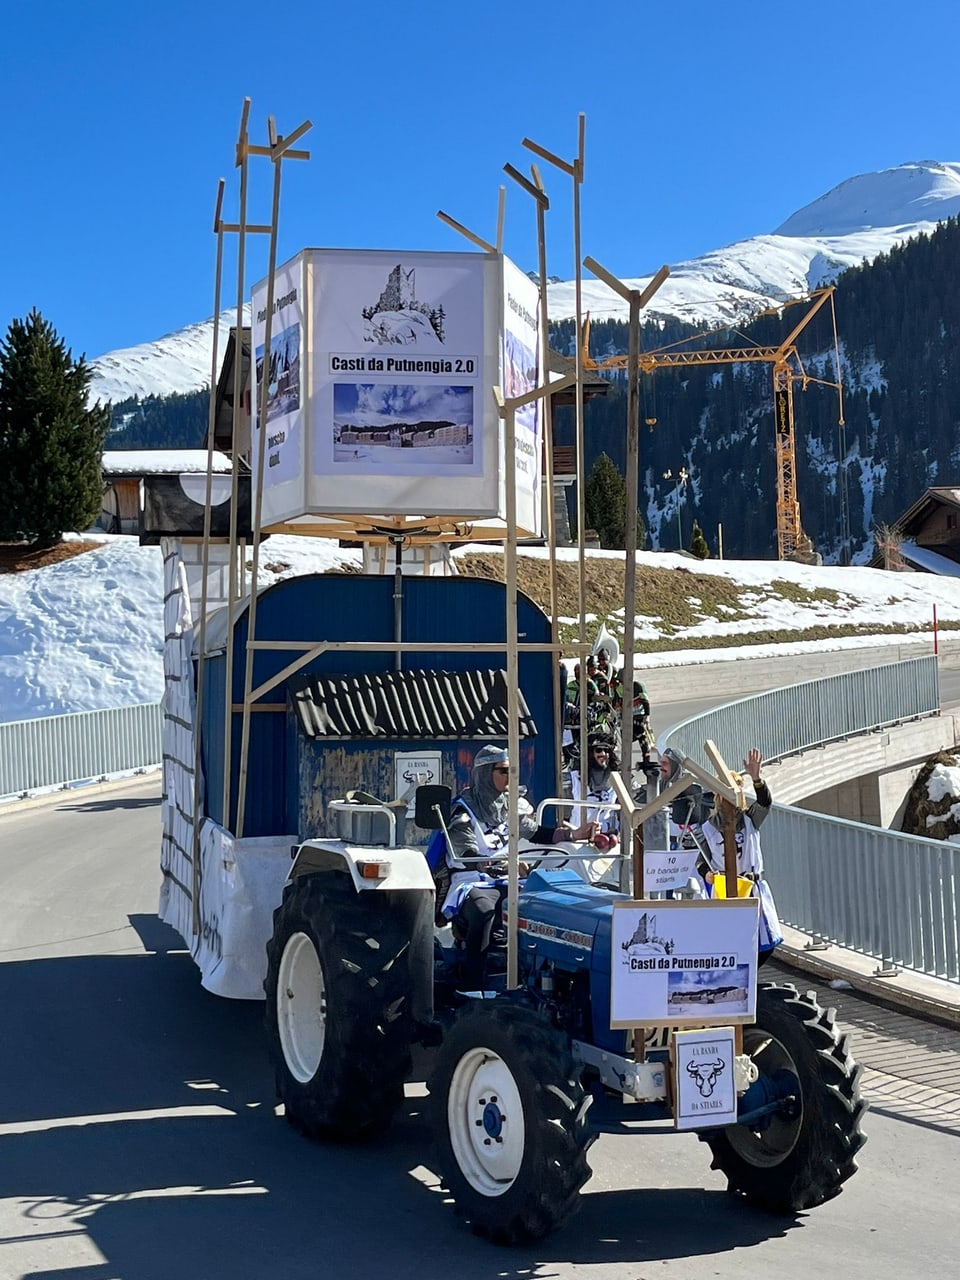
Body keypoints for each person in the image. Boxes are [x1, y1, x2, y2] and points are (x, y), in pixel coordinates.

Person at [433, 743, 597, 990]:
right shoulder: (462, 810)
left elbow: (537, 833)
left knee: (547, 905)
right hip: (472, 880)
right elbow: (465, 851)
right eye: (504, 771)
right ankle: (473, 984)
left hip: (509, 878)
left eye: (512, 771)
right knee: (484, 908)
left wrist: (575, 835)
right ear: (486, 773)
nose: (511, 776)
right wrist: (500, 863)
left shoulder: (510, 806)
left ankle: (539, 979)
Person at [699, 748, 783, 961]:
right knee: (730, 943)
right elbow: (701, 861)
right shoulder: (709, 828)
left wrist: (756, 778)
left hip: (752, 886)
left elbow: (765, 803)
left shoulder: (749, 819)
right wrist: (706, 873)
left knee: (763, 944)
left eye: (736, 787)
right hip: (725, 889)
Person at [570, 732, 620, 835]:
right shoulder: (573, 779)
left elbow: (638, 796)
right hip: (578, 840)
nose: (603, 754)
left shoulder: (619, 779)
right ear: (589, 753)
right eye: (598, 750)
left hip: (609, 839)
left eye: (606, 750)